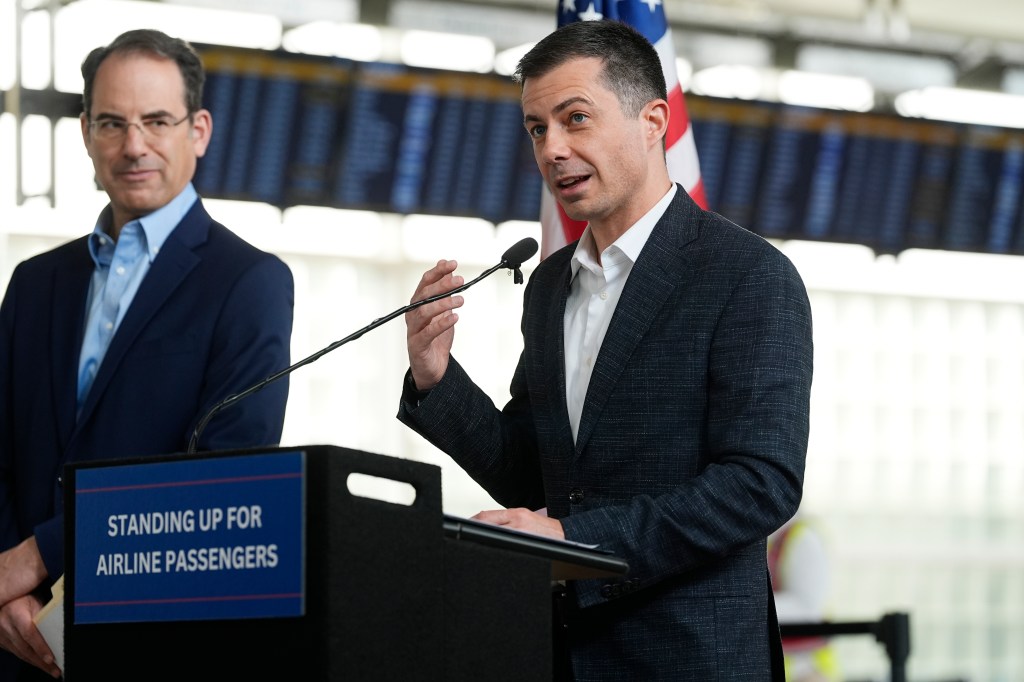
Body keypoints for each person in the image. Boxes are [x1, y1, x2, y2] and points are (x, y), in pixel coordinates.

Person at [397, 19, 813, 680]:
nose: (552, 149)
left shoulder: (747, 275)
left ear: (653, 121)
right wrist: (436, 378)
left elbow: (760, 485)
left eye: (576, 119)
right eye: (537, 128)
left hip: (690, 660)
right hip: (560, 654)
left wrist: (576, 542)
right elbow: (541, 478)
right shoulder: (550, 285)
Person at [0, 29, 294, 679]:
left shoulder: (248, 283)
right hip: (12, 644)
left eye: (157, 121)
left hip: (150, 638)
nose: (134, 146)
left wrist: (37, 555)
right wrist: (9, 592)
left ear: (199, 131)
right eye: (112, 123)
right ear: (85, 134)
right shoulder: (34, 282)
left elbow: (220, 480)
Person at [769, 515, 843, 682]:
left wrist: (750, 607)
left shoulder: (804, 539)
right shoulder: (776, 541)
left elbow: (807, 607)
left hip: (809, 670)